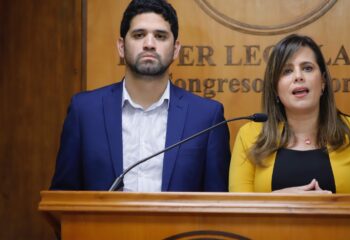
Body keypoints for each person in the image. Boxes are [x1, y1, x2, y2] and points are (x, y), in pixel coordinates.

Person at [50, 0, 231, 192]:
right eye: (139, 35)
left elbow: (217, 205)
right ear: (121, 46)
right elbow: (63, 199)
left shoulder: (207, 117)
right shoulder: (84, 111)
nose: (149, 44)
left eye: (160, 36)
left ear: (176, 49)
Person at [229, 34, 350, 198]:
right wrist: (278, 201)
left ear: (323, 82)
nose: (298, 76)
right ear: (275, 88)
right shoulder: (250, 136)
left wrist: (332, 207)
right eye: (287, 71)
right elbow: (239, 215)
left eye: (307, 68)